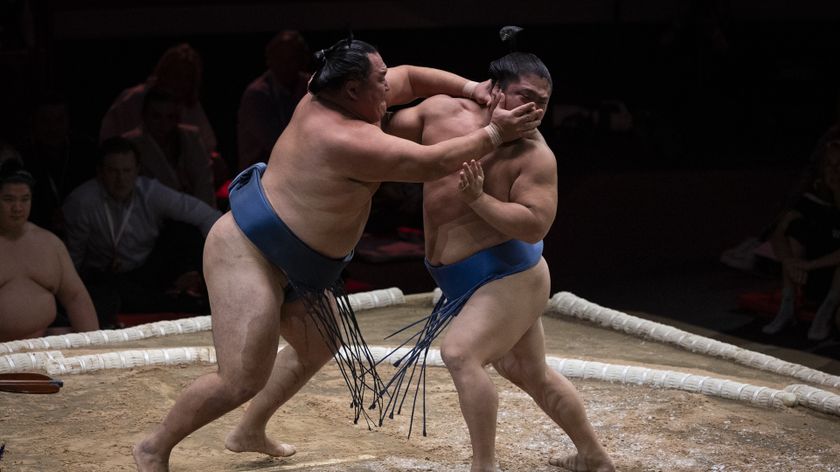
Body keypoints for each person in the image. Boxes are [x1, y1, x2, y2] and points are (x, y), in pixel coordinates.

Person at [133, 35, 542, 472]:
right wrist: (496, 132)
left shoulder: (340, 93)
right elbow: (432, 163)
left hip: (301, 266)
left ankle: (249, 431)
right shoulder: (342, 136)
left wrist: (470, 88)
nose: (390, 88)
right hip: (249, 252)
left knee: (319, 346)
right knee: (239, 378)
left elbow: (411, 76)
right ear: (353, 90)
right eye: (380, 83)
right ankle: (154, 446)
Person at [381, 29, 615, 471]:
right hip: (463, 278)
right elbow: (380, 126)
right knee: (530, 373)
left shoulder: (535, 155)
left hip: (511, 274)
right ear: (493, 91)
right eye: (524, 96)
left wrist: (479, 200)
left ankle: (484, 466)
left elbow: (534, 225)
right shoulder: (441, 113)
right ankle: (594, 457)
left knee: (460, 353)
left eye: (542, 102)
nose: (534, 109)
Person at [62, 137, 221, 328]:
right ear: (100, 172)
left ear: (137, 170)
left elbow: (206, 216)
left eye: (126, 171)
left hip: (147, 269)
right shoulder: (82, 201)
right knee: (108, 294)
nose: (120, 179)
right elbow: (73, 256)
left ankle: (201, 299)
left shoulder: (151, 192)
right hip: (104, 276)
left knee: (186, 231)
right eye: (113, 171)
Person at [0, 159, 99, 341]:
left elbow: (75, 297)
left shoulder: (50, 243)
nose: (17, 208)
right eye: (8, 200)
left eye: (24, 199)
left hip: (42, 342)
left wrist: (94, 348)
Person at [762, 140, 840, 341]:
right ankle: (787, 306)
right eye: (830, 165)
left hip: (831, 275)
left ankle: (827, 310)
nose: (834, 171)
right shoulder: (812, 200)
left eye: (839, 166)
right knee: (795, 234)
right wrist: (790, 262)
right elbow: (778, 234)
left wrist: (809, 265)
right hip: (809, 273)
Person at [100, 43, 217, 153]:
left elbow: (207, 143)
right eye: (177, 75)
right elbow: (115, 141)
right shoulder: (135, 98)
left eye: (187, 77)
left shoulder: (189, 103)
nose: (181, 82)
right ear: (165, 71)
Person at [124, 87, 217, 207]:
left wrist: (205, 218)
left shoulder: (190, 137)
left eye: (170, 117)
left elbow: (204, 182)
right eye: (156, 116)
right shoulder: (131, 144)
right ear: (144, 116)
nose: (164, 124)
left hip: (194, 213)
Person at [237, 30, 311, 172]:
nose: (287, 65)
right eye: (281, 58)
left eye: (293, 58)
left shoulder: (311, 86)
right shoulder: (257, 95)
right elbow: (278, 145)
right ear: (270, 60)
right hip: (260, 178)